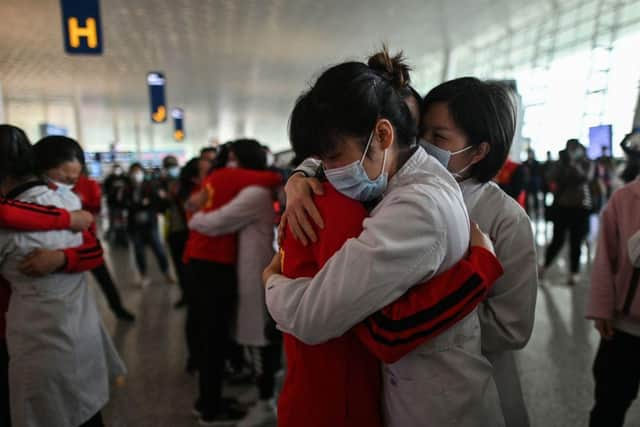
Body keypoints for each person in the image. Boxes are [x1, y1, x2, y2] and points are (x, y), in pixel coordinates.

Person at [264, 49, 504, 426]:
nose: (330, 172)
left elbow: (314, 318)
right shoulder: (403, 174)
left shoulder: (415, 207)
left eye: (333, 157)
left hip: (436, 408)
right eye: (323, 161)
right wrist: (298, 177)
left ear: (383, 133)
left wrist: (271, 282)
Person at [419, 77, 538, 427]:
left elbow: (512, 327)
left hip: (471, 388)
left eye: (438, 138)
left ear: (479, 151)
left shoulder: (505, 219)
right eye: (420, 133)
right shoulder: (399, 195)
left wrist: (415, 320)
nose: (423, 146)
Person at [0, 125, 125, 427]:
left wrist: (60, 258)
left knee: (44, 411)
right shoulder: (68, 201)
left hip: (33, 335)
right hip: (80, 329)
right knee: (85, 410)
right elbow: (95, 251)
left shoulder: (9, 227)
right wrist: (66, 249)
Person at [183, 143, 283, 426]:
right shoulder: (253, 187)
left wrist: (195, 215)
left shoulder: (253, 192)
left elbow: (216, 222)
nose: (230, 164)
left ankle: (265, 401)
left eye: (233, 159)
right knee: (256, 334)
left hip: (255, 271)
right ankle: (261, 395)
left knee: (262, 337)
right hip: (251, 269)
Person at [31, 136, 136, 322]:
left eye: (74, 177)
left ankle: (117, 307)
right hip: (39, 309)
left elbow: (93, 250)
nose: (70, 182)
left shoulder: (75, 194)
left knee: (101, 277)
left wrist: (65, 254)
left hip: (82, 242)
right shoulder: (27, 201)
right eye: (65, 177)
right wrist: (68, 218)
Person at [586, 139, 640, 427]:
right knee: (610, 402)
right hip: (625, 324)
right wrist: (602, 309)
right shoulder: (624, 199)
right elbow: (607, 259)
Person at [541, 139, 594, 285]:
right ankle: (544, 266)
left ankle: (573, 272)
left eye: (575, 148)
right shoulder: (561, 162)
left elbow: (585, 178)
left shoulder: (586, 162)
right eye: (570, 148)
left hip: (580, 207)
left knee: (576, 241)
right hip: (562, 206)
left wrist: (573, 164)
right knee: (557, 239)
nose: (572, 151)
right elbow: (549, 177)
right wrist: (562, 164)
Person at [125, 163, 172, 287]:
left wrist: (145, 204)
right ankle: (143, 275)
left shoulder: (150, 186)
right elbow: (125, 203)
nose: (136, 175)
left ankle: (166, 273)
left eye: (138, 172)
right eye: (133, 172)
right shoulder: (127, 189)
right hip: (135, 225)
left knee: (158, 249)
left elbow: (156, 202)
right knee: (139, 251)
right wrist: (141, 204)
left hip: (150, 224)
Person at [165, 158, 199, 308]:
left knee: (189, 267)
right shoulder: (164, 183)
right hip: (173, 230)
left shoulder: (186, 186)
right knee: (179, 265)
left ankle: (192, 295)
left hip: (188, 231)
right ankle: (186, 295)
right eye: (168, 166)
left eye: (173, 166)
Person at [103, 163, 130, 247]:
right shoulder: (109, 179)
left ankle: (124, 240)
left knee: (123, 223)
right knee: (113, 223)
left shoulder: (125, 178)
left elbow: (129, 189)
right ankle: (114, 240)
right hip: (113, 205)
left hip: (124, 205)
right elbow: (105, 190)